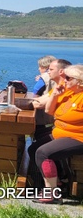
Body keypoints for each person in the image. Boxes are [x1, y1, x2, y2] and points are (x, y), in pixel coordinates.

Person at [32, 64, 83, 204]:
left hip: (77, 137)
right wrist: (54, 95)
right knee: (33, 149)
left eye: (68, 78)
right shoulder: (67, 92)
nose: (64, 80)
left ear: (79, 81)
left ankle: (52, 194)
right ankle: (58, 181)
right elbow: (49, 110)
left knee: (43, 153)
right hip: (61, 133)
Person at [29, 58, 72, 189]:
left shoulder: (67, 88)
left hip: (70, 133)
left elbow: (41, 104)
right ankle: (56, 179)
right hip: (59, 129)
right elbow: (43, 102)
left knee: (38, 149)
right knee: (34, 146)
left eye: (51, 69)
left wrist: (33, 103)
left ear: (61, 71)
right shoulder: (59, 87)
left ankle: (57, 181)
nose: (48, 72)